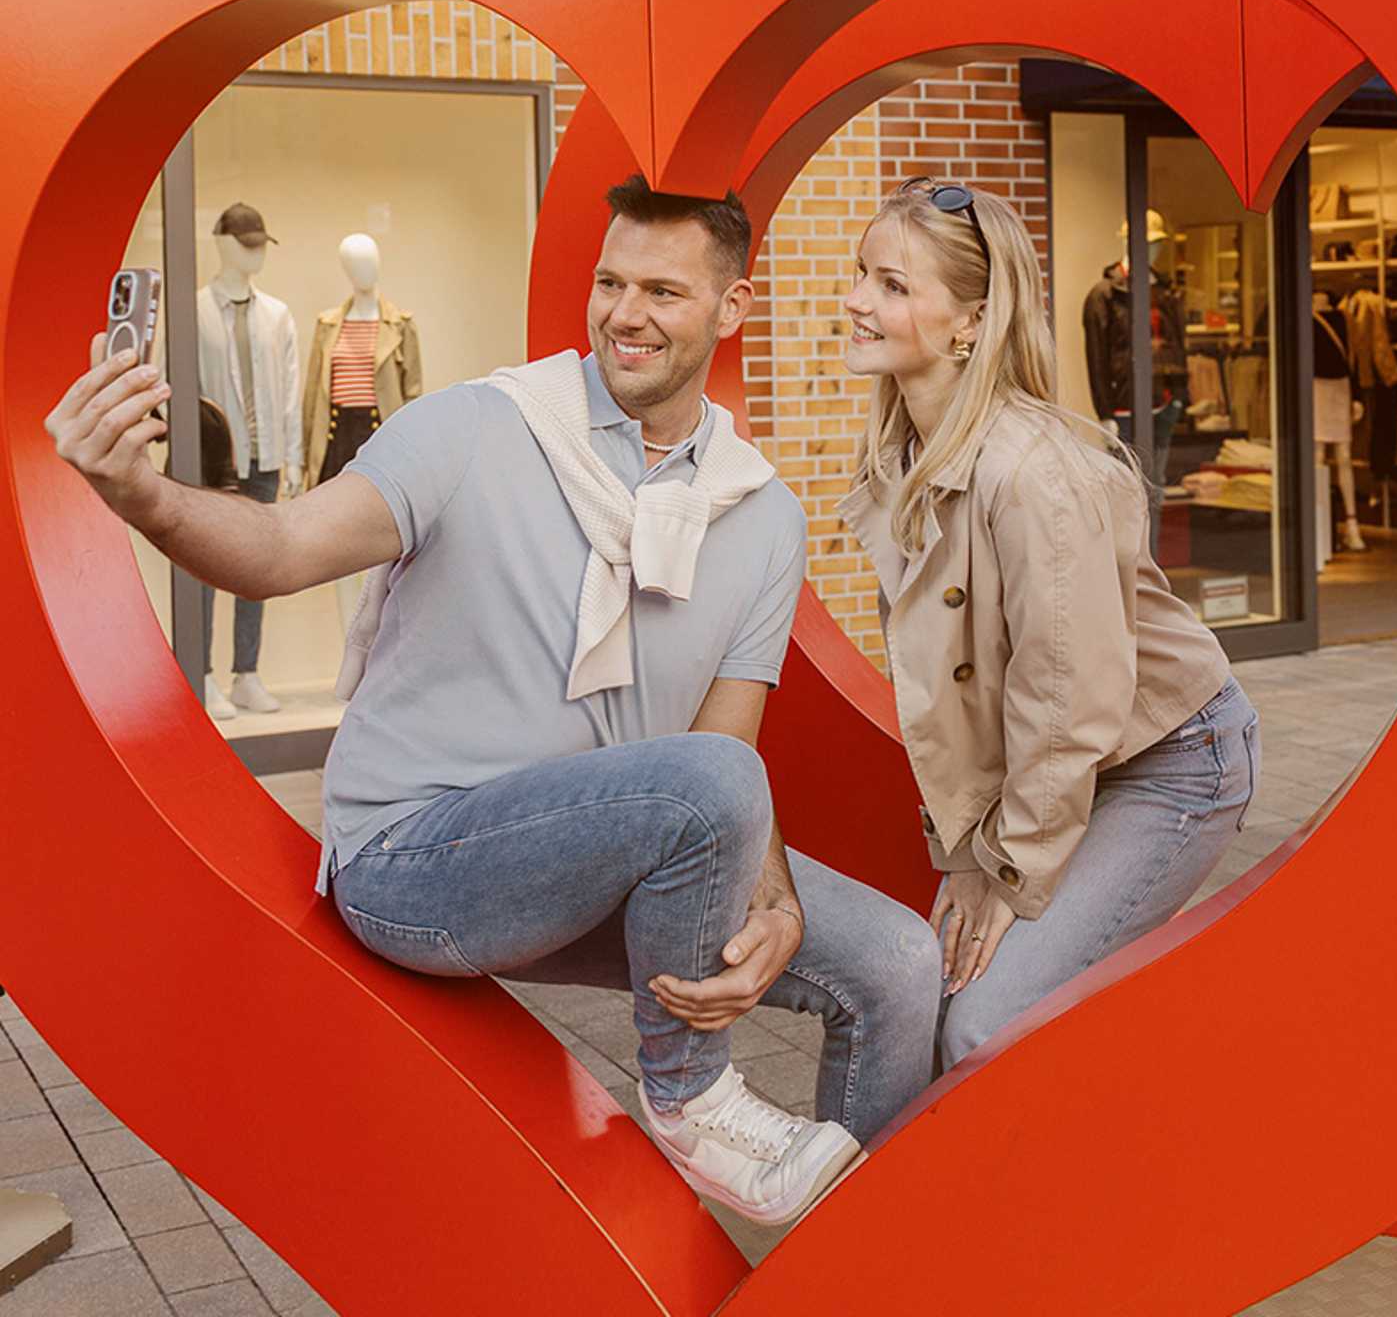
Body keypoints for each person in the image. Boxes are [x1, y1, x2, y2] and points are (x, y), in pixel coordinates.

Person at [46, 174, 942, 1226]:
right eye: (611, 283)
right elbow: (282, 549)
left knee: (895, 960)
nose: (625, 314)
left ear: (731, 310)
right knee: (709, 790)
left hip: (616, 862)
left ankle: (861, 1268)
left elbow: (723, 744)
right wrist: (142, 495)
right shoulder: (477, 427)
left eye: (663, 290)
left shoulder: (756, 512)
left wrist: (775, 903)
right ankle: (692, 1096)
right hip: (416, 864)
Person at [839, 178, 1263, 1070]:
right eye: (861, 276)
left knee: (981, 1023)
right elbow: (952, 697)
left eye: (891, 285)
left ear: (970, 321)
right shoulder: (903, 462)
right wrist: (961, 854)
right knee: (922, 996)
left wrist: (1011, 873)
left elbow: (1068, 700)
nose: (855, 301)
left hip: (1169, 762)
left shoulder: (1032, 473)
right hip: (1064, 763)